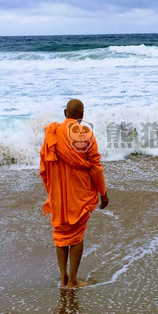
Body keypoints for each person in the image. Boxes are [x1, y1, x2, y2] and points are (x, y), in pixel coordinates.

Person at [39, 99, 109, 289]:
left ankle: (63, 279)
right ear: (82, 115)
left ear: (64, 112)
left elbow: (44, 167)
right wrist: (103, 191)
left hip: (58, 194)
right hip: (79, 194)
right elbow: (95, 166)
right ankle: (73, 280)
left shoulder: (51, 134)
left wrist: (51, 190)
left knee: (61, 234)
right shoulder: (85, 134)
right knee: (76, 236)